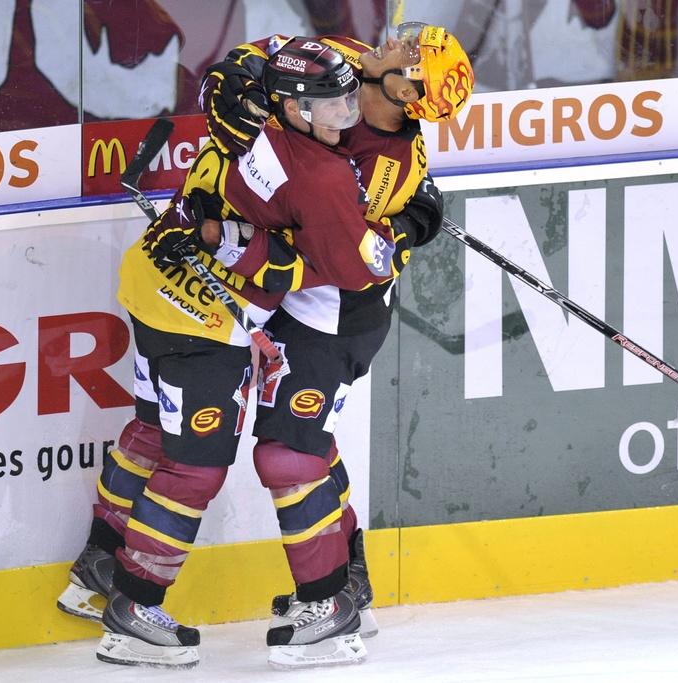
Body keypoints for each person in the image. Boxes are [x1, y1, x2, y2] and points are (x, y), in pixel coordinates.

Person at [58, 38, 423, 670]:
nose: (348, 109)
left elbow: (245, 70)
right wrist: (400, 233)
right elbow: (352, 268)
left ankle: (100, 561)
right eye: (334, 101)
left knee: (152, 429)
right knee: (197, 468)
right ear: (295, 106)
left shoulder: (241, 118)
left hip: (153, 286)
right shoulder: (322, 175)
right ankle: (136, 607)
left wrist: (216, 233)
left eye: (349, 95)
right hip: (202, 324)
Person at [200, 22, 473, 648]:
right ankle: (347, 583)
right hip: (300, 302)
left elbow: (349, 260)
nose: (397, 38)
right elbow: (266, 54)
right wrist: (233, 73)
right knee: (307, 445)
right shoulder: (348, 62)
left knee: (287, 452)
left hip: (334, 313)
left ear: (406, 89)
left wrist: (250, 247)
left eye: (412, 50)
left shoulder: (388, 166)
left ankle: (329, 610)